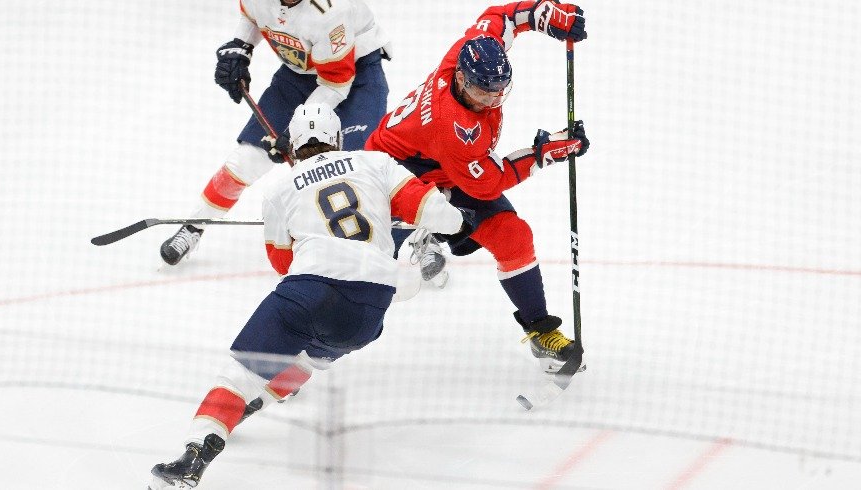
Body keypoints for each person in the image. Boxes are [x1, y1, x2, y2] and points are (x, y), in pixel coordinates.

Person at [148, 103, 470, 489]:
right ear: (337, 138)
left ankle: (194, 454)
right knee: (312, 357)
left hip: (309, 290)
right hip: (369, 311)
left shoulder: (281, 189)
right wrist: (452, 221)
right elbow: (441, 216)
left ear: (294, 145)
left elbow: (282, 262)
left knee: (242, 371)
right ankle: (261, 399)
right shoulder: (374, 163)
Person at [364, 0, 590, 373]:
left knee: (513, 237)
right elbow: (487, 183)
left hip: (444, 168)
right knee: (368, 274)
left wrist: (546, 15)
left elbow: (503, 16)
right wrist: (544, 153)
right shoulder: (455, 127)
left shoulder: (472, 50)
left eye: (500, 90)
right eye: (484, 93)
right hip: (393, 174)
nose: (493, 99)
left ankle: (539, 331)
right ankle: (300, 350)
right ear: (462, 80)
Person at [160, 0, 447, 278]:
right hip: (298, 77)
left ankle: (421, 232)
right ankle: (195, 225)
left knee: (361, 170)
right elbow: (252, 16)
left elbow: (336, 83)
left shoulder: (331, 10)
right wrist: (241, 47)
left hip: (355, 78)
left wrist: (294, 133)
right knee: (246, 161)